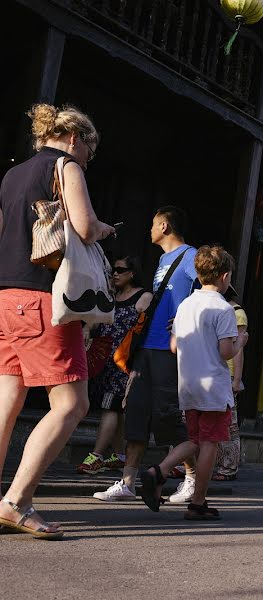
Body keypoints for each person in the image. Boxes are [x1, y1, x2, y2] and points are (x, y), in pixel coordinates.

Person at [0, 104, 115, 539]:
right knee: (71, 404)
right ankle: (17, 502)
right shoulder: (66, 165)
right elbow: (83, 227)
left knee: (6, 399)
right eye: (89, 150)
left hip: (5, 296)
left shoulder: (12, 175)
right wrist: (104, 229)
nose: (88, 158)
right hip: (42, 297)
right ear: (74, 138)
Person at [94, 206, 198, 503]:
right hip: (146, 347)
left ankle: (190, 479)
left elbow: (210, 290)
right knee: (135, 412)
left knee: (168, 415)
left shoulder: (190, 256)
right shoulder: (164, 259)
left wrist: (184, 320)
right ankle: (127, 482)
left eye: (153, 224)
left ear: (164, 226)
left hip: (170, 349)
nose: (149, 230)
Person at [139, 246, 247, 519]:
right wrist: (240, 341)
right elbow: (226, 352)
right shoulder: (223, 309)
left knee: (196, 439)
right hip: (213, 386)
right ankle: (198, 501)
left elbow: (174, 346)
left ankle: (159, 471)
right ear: (224, 276)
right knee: (210, 443)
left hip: (187, 384)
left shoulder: (185, 305)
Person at [77, 256, 152, 475]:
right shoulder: (111, 296)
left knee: (110, 406)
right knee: (115, 407)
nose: (115, 274)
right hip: (104, 361)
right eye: (113, 271)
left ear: (132, 273)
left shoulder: (143, 296)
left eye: (120, 270)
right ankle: (119, 455)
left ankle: (97, 455)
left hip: (125, 362)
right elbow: (94, 318)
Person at [212, 286, 248, 481]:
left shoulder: (236, 313)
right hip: (214, 371)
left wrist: (236, 380)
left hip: (227, 373)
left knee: (229, 424)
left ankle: (228, 467)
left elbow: (239, 348)